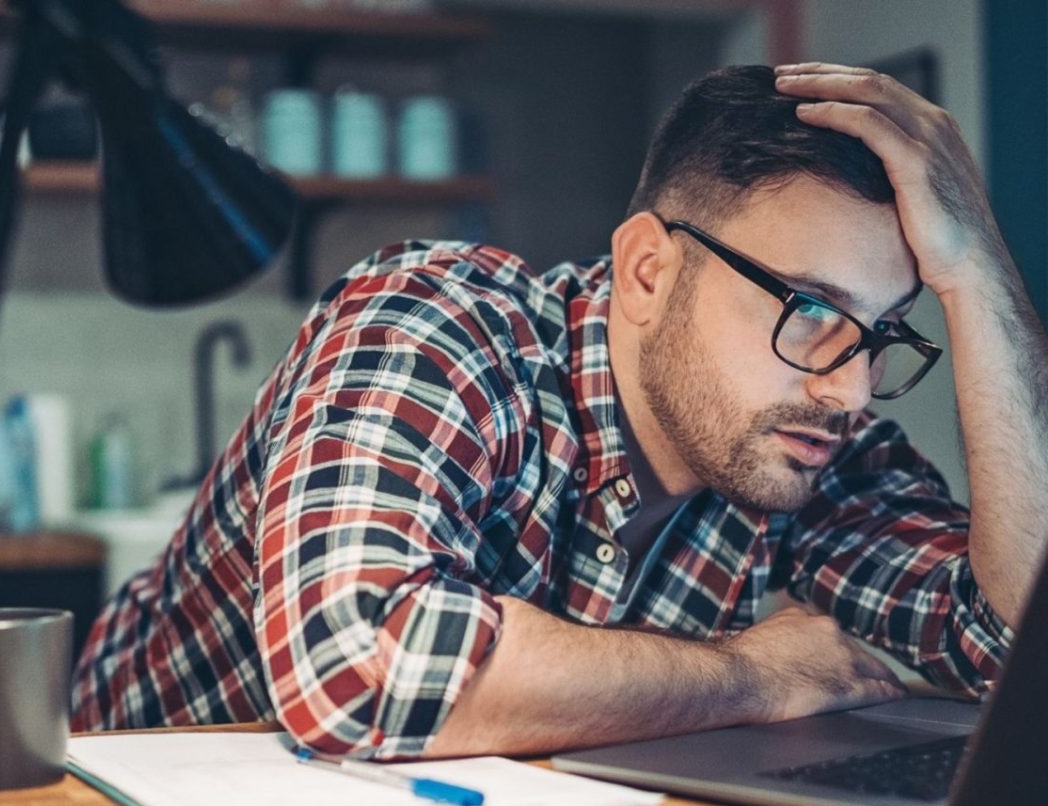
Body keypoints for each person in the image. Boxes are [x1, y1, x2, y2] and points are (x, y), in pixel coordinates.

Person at [71, 64, 1047, 759]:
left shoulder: (813, 445)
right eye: (810, 312)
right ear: (648, 270)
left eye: (885, 335)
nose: (850, 389)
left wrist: (981, 275)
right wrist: (755, 676)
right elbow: (366, 667)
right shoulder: (442, 323)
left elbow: (1016, 645)